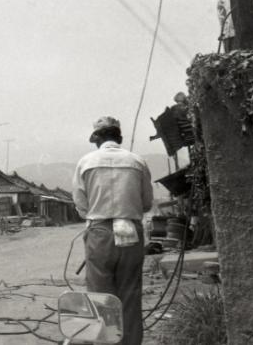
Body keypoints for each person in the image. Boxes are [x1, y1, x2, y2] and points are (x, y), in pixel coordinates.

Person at [72, 116, 153, 345]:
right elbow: (146, 203)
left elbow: (81, 206)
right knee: (130, 293)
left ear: (97, 139)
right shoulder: (137, 162)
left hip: (100, 233)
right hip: (131, 232)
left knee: (100, 297)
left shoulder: (85, 162)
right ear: (119, 137)